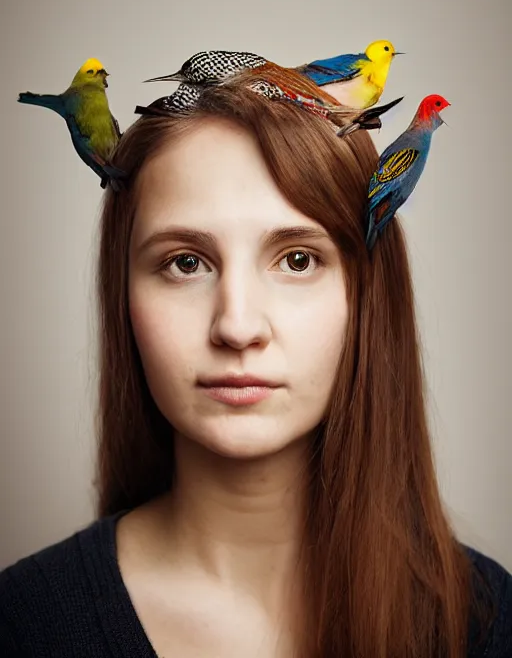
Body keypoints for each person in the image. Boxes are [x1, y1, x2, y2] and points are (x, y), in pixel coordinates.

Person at [0, 75, 510, 657]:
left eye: (297, 259)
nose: (238, 326)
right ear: (121, 292)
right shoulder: (22, 627)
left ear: (367, 294)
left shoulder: (489, 624)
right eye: (185, 263)